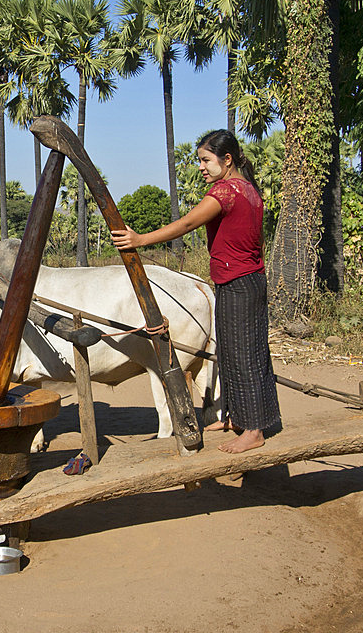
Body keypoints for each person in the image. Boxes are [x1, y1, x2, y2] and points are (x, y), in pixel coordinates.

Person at [111, 129, 281, 453]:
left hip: (239, 283)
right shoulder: (248, 189)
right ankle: (240, 418)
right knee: (234, 350)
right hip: (249, 279)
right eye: (199, 161)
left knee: (243, 354)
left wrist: (140, 240)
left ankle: (254, 431)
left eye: (206, 160)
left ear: (226, 159)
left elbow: (188, 223)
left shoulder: (225, 192)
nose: (201, 167)